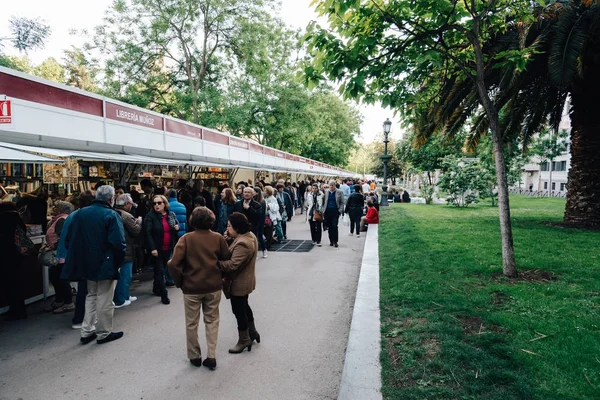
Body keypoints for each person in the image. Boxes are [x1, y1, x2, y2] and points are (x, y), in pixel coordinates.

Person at [168, 207, 230, 370]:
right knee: (212, 320)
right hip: (213, 285)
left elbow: (173, 264)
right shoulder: (217, 238)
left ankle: (194, 355)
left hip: (191, 287)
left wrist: (179, 281)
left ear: (192, 221)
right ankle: (211, 355)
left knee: (191, 323)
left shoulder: (186, 239)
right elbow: (226, 259)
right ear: (211, 221)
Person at [62, 186, 126, 345]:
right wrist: (117, 263)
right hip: (105, 261)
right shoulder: (111, 214)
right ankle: (104, 332)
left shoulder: (80, 213)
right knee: (105, 297)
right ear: (111, 199)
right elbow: (118, 243)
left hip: (86, 262)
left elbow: (69, 239)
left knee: (91, 295)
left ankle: (87, 330)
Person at [218, 213, 260, 354]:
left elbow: (232, 265)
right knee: (244, 306)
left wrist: (216, 263)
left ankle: (244, 340)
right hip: (245, 280)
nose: (227, 228)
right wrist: (230, 239)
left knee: (239, 310)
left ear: (237, 227)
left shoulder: (243, 243)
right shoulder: (248, 236)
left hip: (239, 283)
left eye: (229, 226)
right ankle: (252, 332)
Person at [57, 190, 94, 329]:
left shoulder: (74, 215)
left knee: (83, 288)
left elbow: (67, 239)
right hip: (79, 256)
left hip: (70, 255)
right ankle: (81, 318)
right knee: (85, 289)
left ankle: (82, 317)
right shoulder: (82, 216)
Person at [144, 194, 179, 305]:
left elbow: (175, 225)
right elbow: (147, 233)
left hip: (168, 247)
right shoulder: (150, 216)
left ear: (164, 204)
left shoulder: (170, 214)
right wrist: (152, 248)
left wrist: (176, 228)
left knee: (162, 268)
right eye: (154, 203)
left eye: (159, 203)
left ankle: (156, 287)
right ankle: (164, 295)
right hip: (157, 249)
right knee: (160, 271)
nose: (157, 205)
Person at [0, 202, 31, 321]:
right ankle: (20, 310)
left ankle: (15, 310)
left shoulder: (3, 219)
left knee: (9, 284)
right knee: (15, 283)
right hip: (16, 254)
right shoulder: (17, 218)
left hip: (5, 254)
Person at [44, 201, 75, 314]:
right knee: (56, 276)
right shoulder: (59, 219)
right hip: (60, 253)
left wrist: (52, 246)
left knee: (60, 278)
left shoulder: (61, 220)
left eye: (55, 206)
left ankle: (67, 302)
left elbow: (64, 237)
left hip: (60, 254)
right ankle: (60, 300)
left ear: (61, 209)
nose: (53, 208)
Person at [113, 194, 142, 308]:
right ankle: (121, 299)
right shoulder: (126, 216)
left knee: (123, 274)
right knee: (125, 275)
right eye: (130, 204)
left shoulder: (114, 212)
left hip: (118, 247)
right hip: (127, 247)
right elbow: (136, 231)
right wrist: (139, 221)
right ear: (127, 204)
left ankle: (124, 295)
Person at [324, 180, 344, 247]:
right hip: (327, 211)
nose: (331, 186)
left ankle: (335, 241)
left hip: (335, 211)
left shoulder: (339, 192)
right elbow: (324, 201)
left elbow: (342, 202)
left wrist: (340, 210)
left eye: (332, 185)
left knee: (334, 226)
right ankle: (331, 241)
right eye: (330, 185)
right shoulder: (326, 192)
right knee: (329, 227)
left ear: (335, 185)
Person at [254, 187, 268, 258]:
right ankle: (255, 252)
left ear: (257, 192)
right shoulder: (253, 200)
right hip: (254, 222)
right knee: (255, 237)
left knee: (259, 236)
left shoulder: (262, 201)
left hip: (260, 221)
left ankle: (264, 250)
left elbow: (262, 213)